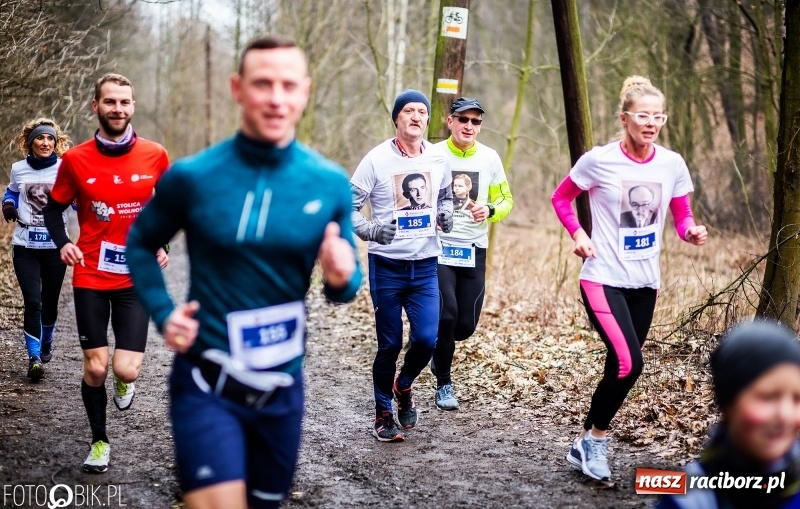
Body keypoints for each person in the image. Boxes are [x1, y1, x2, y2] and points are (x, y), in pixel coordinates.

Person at [126, 35, 361, 509]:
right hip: (206, 382)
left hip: (282, 390)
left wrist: (340, 275)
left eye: (288, 85)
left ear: (305, 92)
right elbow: (139, 243)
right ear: (238, 88)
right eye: (262, 84)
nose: (276, 98)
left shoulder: (330, 183)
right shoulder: (194, 177)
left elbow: (346, 289)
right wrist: (163, 312)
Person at [551, 75, 707, 481]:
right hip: (602, 277)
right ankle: (597, 441)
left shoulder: (671, 163)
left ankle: (583, 442)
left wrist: (689, 230)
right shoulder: (599, 160)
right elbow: (561, 197)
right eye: (643, 115)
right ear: (625, 118)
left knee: (618, 365)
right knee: (629, 363)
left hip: (645, 283)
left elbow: (681, 213)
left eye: (658, 116)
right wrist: (579, 234)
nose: (651, 123)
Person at [42, 73, 170, 474]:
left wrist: (162, 244)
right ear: (95, 106)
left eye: (125, 102)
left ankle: (124, 381)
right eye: (110, 102)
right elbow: (53, 207)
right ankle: (99, 441)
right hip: (91, 276)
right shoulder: (75, 160)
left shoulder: (155, 155)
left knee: (124, 368)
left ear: (133, 106)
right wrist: (64, 241)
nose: (118, 109)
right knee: (95, 367)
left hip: (136, 277)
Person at [351, 88, 453, 442]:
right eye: (408, 110)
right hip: (388, 266)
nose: (415, 116)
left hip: (425, 265)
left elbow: (445, 195)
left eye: (421, 112)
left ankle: (403, 385)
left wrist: (446, 212)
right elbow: (347, 208)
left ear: (427, 119)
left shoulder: (439, 159)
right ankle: (382, 413)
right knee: (390, 344)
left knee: (427, 339)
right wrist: (371, 229)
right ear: (396, 118)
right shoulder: (376, 160)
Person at [658, 320, 800, 509]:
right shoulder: (690, 498)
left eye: (797, 399)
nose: (785, 415)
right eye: (768, 397)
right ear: (727, 402)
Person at [431, 97, 513, 410]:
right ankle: (444, 385)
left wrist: (489, 210)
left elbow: (506, 201)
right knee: (446, 314)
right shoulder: (434, 154)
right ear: (449, 122)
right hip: (439, 249)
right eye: (463, 119)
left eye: (475, 121)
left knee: (464, 326)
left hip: (474, 250)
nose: (469, 126)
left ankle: (436, 349)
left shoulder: (490, 158)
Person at [2, 118, 71, 381]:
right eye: (40, 138)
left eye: (50, 139)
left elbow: (76, 198)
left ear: (56, 143)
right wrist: (8, 204)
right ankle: (34, 359)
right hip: (25, 246)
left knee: (50, 304)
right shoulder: (18, 169)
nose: (45, 143)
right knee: (32, 302)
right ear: (31, 143)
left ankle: (47, 340)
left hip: (55, 247)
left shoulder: (66, 168)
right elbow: (11, 193)